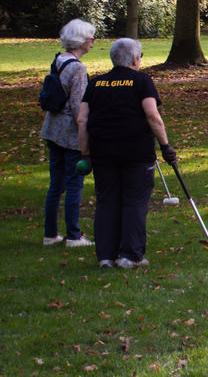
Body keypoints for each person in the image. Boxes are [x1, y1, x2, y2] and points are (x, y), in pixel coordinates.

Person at [76, 38, 178, 269]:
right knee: (134, 202)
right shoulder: (142, 81)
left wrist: (85, 153)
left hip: (103, 152)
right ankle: (130, 256)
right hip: (136, 153)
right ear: (135, 59)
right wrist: (165, 145)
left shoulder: (96, 83)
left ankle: (105, 256)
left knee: (106, 201)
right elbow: (152, 115)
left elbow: (82, 119)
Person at [39, 18, 97, 247]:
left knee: (56, 185)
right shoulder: (77, 68)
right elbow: (78, 107)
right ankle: (74, 235)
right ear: (81, 40)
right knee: (74, 184)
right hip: (69, 134)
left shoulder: (59, 60)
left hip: (52, 129)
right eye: (90, 37)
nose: (93, 41)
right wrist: (87, 136)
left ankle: (50, 234)